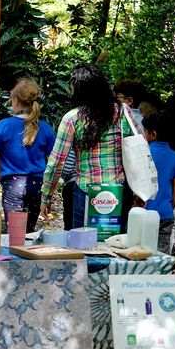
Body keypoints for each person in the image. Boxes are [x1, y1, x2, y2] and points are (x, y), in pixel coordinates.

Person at [41, 64, 143, 230]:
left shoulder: (71, 118)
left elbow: (56, 162)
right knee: (116, 245)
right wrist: (139, 191)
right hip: (117, 190)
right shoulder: (123, 112)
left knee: (83, 245)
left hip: (85, 191)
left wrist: (46, 196)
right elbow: (138, 149)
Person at [0, 78, 55, 232]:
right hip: (36, 186)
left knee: (15, 235)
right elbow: (53, 160)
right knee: (29, 232)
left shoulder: (4, 125)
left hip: (13, 186)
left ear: (16, 100)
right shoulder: (46, 129)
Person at [142, 111, 175, 253]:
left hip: (143, 212)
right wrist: (169, 207)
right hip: (165, 213)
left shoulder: (143, 153)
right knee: (162, 254)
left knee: (141, 250)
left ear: (153, 134)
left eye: (145, 131)